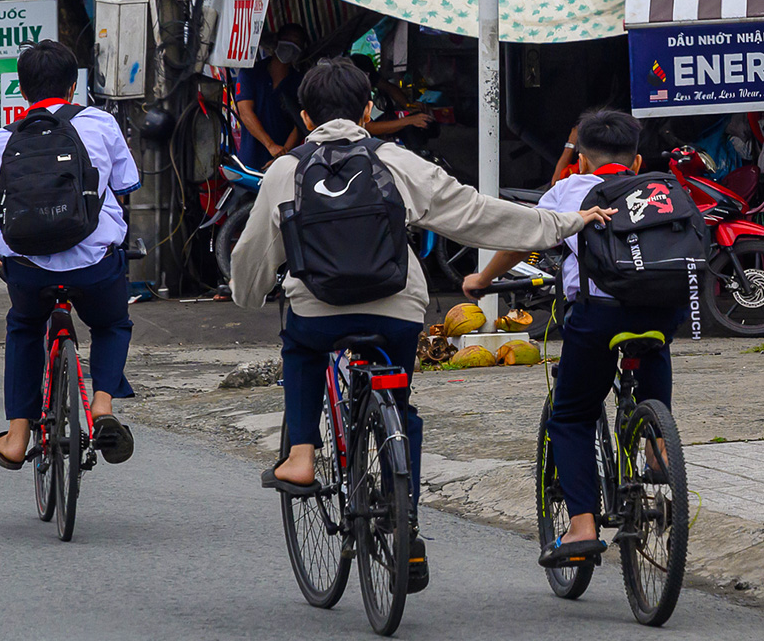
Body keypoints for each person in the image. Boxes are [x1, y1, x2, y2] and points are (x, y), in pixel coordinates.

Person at [230, 57, 613, 591]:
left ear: (304, 114)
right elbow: (478, 214)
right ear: (367, 109)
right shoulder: (398, 161)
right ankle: (403, 517)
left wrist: (247, 295)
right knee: (400, 404)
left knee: (300, 349)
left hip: (316, 310)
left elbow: (252, 257)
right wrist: (566, 222)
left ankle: (299, 454)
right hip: (395, 311)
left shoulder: (285, 171)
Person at [463, 109, 680, 568]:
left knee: (572, 417)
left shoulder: (569, 190)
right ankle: (658, 446)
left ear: (580, 160)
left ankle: (581, 526)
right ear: (636, 161)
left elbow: (525, 240)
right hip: (664, 307)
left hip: (596, 317)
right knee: (653, 342)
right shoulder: (662, 188)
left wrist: (482, 280)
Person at [0, 40, 139, 469]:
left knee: (24, 328)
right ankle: (102, 407)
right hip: (96, 263)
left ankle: (17, 436)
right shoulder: (101, 123)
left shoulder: (5, 137)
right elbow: (126, 185)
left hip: (28, 267)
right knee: (113, 323)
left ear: (22, 91)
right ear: (74, 85)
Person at [235, 23, 306, 169]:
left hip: (282, 164)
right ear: (277, 41)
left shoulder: (300, 82)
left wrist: (282, 156)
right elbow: (245, 112)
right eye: (288, 39)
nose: (291, 45)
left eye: (296, 42)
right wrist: (271, 145)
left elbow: (299, 123)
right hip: (250, 161)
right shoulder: (250, 73)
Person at [348, 53, 435, 141]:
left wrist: (408, 106)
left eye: (368, 76)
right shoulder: (347, 94)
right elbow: (370, 127)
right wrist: (409, 120)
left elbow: (389, 87)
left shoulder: (365, 72)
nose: (367, 79)